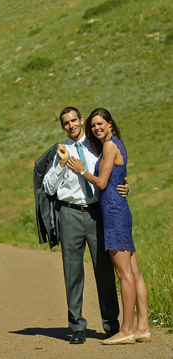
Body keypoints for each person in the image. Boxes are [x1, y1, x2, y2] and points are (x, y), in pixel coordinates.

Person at [35, 106, 127, 344]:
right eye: (66, 123)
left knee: (104, 270)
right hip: (69, 214)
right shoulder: (60, 152)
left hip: (97, 212)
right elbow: (48, 187)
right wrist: (63, 164)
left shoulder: (98, 145)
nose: (71, 125)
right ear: (62, 126)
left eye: (74, 120)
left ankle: (111, 325)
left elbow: (113, 174)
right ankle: (77, 326)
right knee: (72, 272)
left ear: (81, 120)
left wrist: (126, 187)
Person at [67, 109, 150, 345]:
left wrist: (81, 170)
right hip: (120, 211)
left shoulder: (110, 146)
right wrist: (126, 187)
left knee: (124, 274)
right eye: (93, 125)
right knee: (134, 272)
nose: (96, 128)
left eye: (99, 123)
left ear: (110, 123)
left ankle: (126, 330)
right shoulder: (116, 144)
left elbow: (102, 182)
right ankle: (142, 328)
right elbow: (117, 179)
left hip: (114, 214)